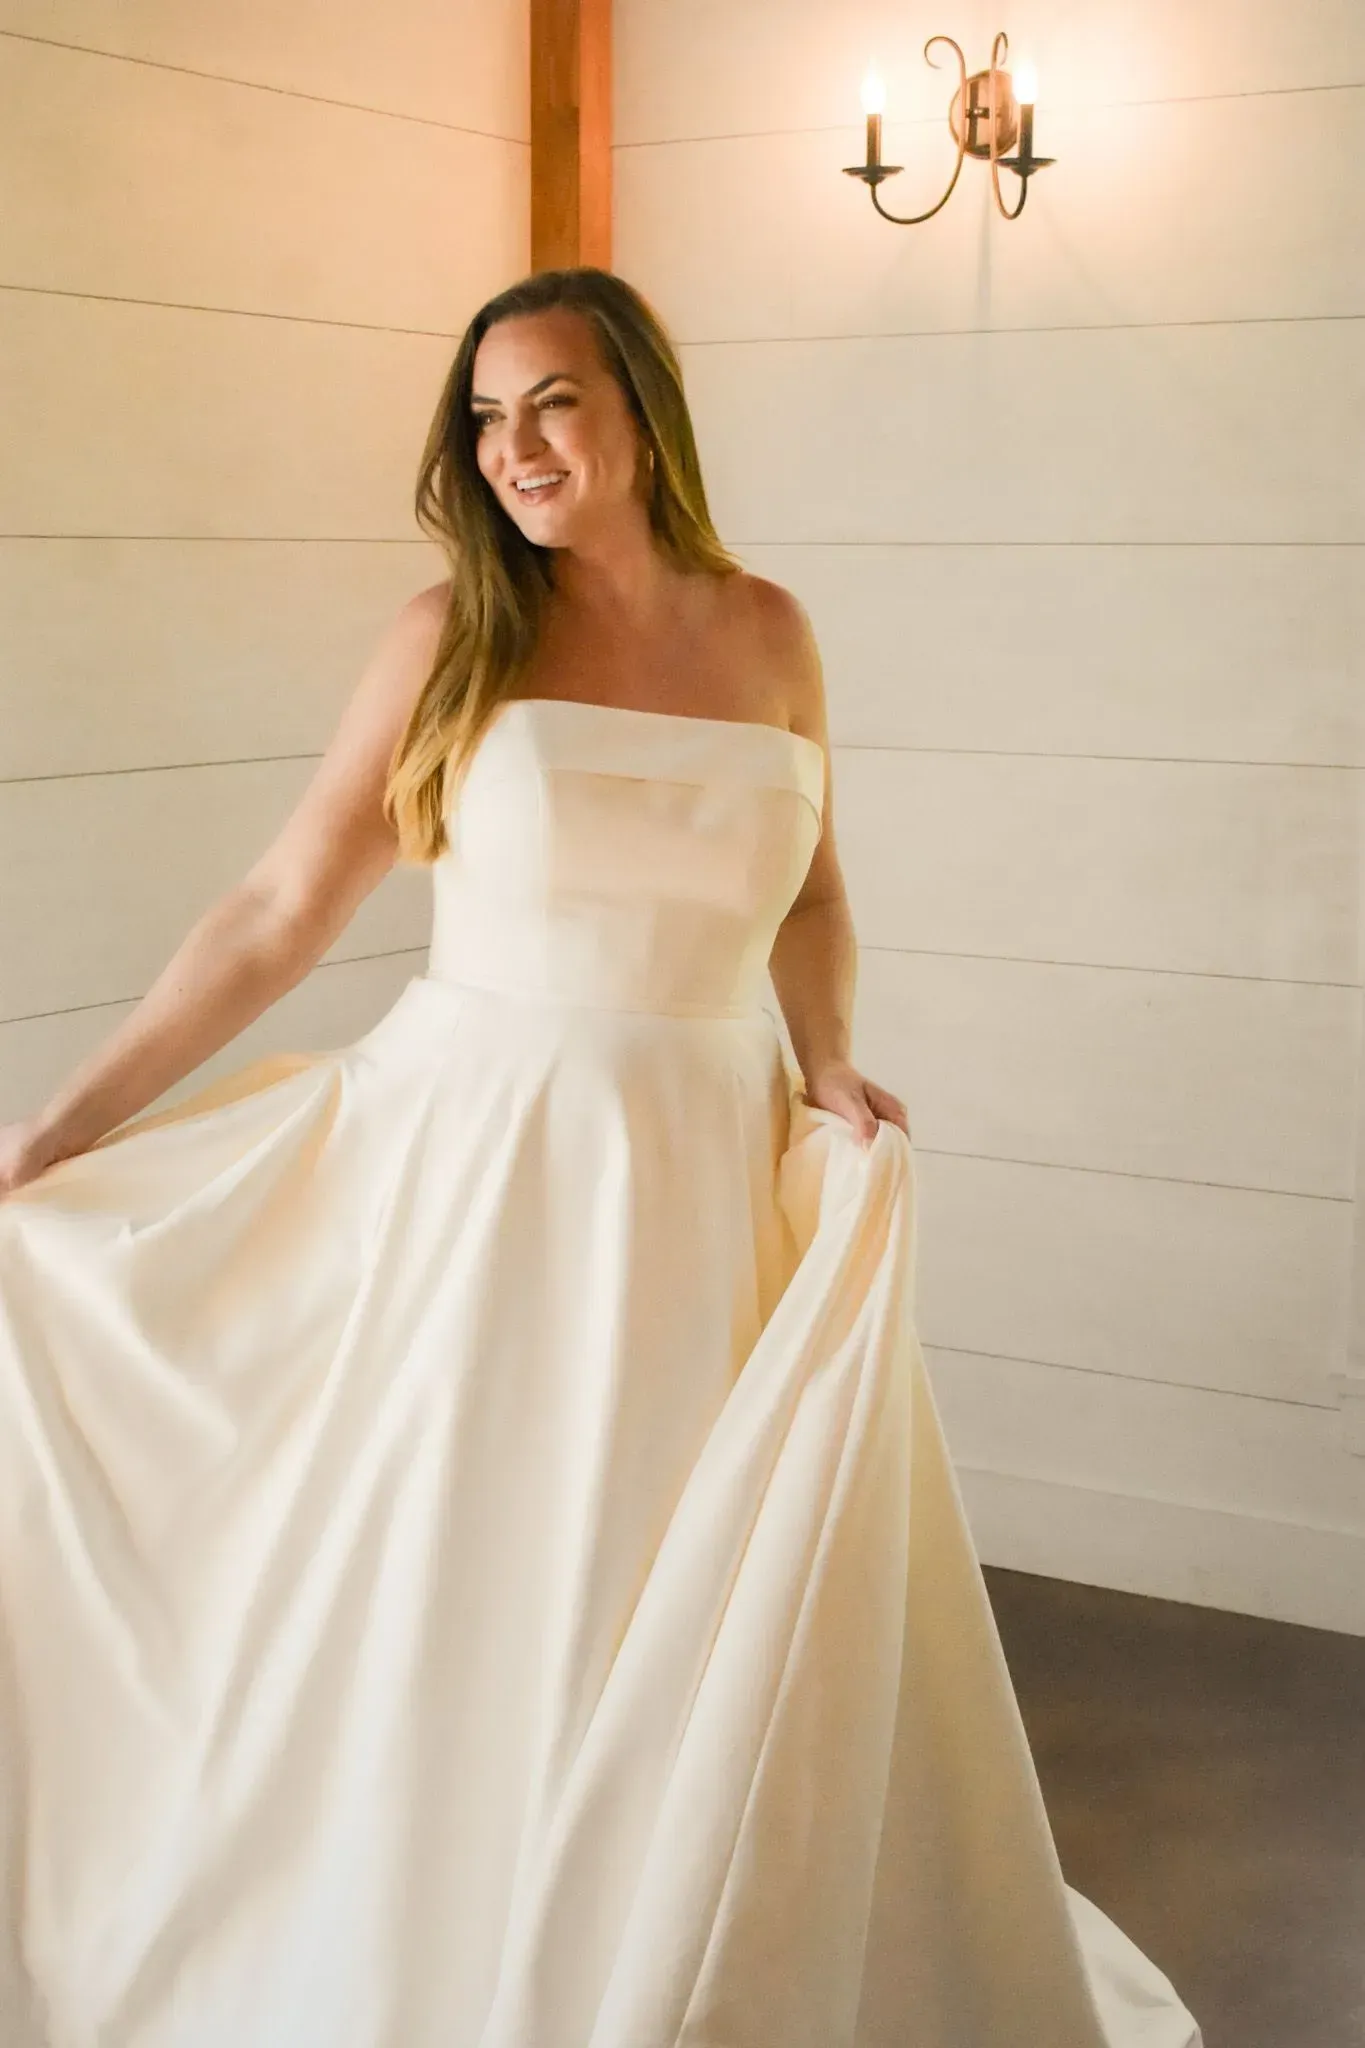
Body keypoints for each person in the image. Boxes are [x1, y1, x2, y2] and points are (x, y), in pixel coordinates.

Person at [0, 267, 1202, 2047]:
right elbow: (275, 907)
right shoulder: (450, 633)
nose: (515, 448)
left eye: (552, 401)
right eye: (486, 418)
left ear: (641, 409)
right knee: (488, 1563)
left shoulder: (773, 631)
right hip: (495, 1165)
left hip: (709, 1165)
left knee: (681, 1565)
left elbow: (813, 888)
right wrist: (64, 1124)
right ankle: (455, 1931)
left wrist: (829, 1068)